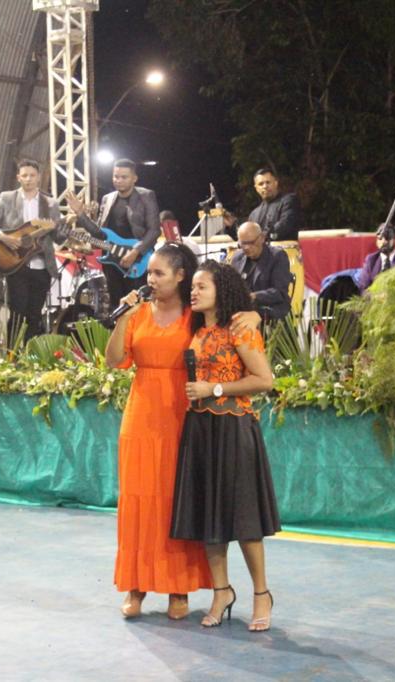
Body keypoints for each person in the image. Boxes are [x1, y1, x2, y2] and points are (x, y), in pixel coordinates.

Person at [105, 243, 259, 620]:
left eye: (159, 273)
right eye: (149, 273)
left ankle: (179, 587)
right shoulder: (138, 312)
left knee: (177, 501)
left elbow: (234, 314)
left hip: (184, 415)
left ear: (179, 276)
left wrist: (255, 314)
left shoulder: (195, 315)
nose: (151, 279)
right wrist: (122, 317)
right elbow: (114, 360)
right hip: (141, 416)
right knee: (138, 501)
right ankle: (136, 586)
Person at [170, 261, 280, 632]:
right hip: (201, 429)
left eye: (202, 286)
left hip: (233, 427)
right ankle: (222, 591)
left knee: (245, 519)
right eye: (193, 286)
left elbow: (264, 380)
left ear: (222, 290)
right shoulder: (197, 330)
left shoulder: (240, 328)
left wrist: (214, 388)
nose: (194, 292)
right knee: (209, 519)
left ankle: (261, 594)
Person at [0, 159, 63, 342]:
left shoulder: (50, 203)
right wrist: (2, 236)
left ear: (39, 177)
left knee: (35, 313)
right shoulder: (7, 198)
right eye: (25, 175)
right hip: (16, 264)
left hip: (42, 266)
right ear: (18, 177)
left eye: (32, 175)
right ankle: (13, 352)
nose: (28, 179)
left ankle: (31, 351)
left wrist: (63, 230)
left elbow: (58, 238)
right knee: (17, 311)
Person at [67, 158, 161, 310]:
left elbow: (154, 230)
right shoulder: (107, 199)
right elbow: (99, 234)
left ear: (134, 178)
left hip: (139, 261)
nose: (119, 180)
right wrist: (80, 213)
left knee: (140, 306)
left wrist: (135, 252)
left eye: (124, 177)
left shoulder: (146, 196)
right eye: (116, 176)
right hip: (112, 262)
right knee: (116, 306)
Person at [229, 221, 292, 321]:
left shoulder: (277, 256)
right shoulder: (237, 257)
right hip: (243, 313)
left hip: (271, 313)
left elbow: (279, 292)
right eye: (243, 243)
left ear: (262, 238)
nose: (247, 247)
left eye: (251, 242)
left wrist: (254, 296)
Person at [241, 168, 303, 242]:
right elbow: (247, 236)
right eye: (261, 184)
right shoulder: (254, 214)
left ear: (276, 183)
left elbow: (285, 226)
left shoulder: (289, 201)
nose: (265, 186)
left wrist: (260, 237)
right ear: (256, 188)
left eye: (268, 182)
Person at [356, 222, 395, 293]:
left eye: (387, 238)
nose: (383, 241)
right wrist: (376, 296)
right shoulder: (371, 260)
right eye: (380, 238)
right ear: (376, 241)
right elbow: (363, 288)